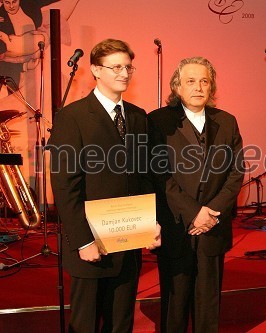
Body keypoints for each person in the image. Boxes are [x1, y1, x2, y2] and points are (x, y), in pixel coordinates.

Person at [49, 38, 161, 333]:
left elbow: (143, 176)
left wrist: (150, 224)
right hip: (90, 242)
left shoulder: (138, 116)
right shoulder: (71, 117)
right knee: (85, 324)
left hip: (129, 239)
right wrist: (83, 240)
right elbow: (64, 186)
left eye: (128, 67)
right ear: (96, 70)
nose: (124, 73)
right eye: (115, 67)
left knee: (121, 322)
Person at [148, 56, 244, 333]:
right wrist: (194, 213)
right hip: (177, 227)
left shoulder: (226, 121)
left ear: (211, 86)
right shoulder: (157, 121)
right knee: (174, 306)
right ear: (177, 87)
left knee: (208, 305)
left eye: (204, 81)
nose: (198, 87)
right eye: (190, 81)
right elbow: (159, 175)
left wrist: (212, 212)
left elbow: (236, 172)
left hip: (213, 227)